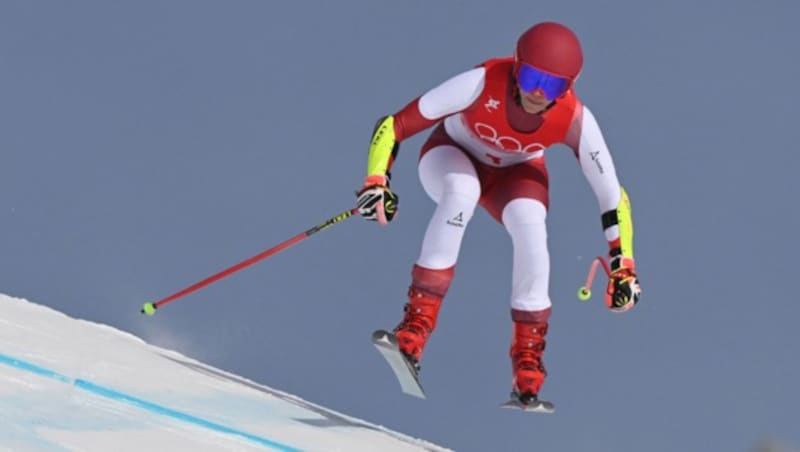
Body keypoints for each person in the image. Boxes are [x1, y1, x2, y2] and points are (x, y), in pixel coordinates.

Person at [356, 21, 641, 406]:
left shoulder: (575, 118)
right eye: (531, 77)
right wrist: (377, 180)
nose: (538, 93)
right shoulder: (480, 81)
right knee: (462, 191)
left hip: (517, 173)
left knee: (532, 228)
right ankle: (414, 330)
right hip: (452, 153)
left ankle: (528, 363)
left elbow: (612, 196)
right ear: (516, 66)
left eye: (553, 85)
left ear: (568, 88)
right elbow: (395, 124)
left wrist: (623, 267)